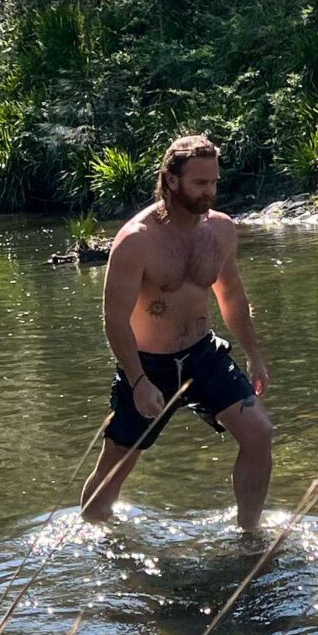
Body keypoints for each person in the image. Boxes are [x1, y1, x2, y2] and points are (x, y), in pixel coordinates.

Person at [80, 133, 275, 527]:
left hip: (204, 355)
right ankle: (95, 539)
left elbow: (232, 295)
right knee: (114, 468)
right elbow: (114, 320)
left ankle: (248, 536)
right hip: (150, 366)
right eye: (200, 183)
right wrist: (137, 381)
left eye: (215, 182)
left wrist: (253, 354)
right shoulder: (136, 241)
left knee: (259, 435)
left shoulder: (219, 230)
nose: (210, 192)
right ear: (171, 180)